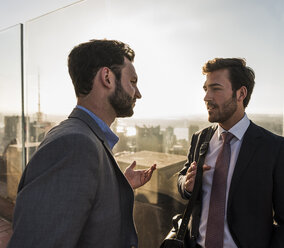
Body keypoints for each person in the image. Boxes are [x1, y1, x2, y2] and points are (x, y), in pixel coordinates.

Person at [8, 39, 156, 248]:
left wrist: (116, 185)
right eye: (132, 82)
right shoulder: (75, 144)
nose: (138, 93)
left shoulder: (82, 135)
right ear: (107, 77)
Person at [178, 58, 284, 248]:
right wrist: (186, 185)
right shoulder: (199, 139)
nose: (206, 97)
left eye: (216, 89)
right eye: (205, 89)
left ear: (240, 93)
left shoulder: (274, 148)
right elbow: (183, 178)